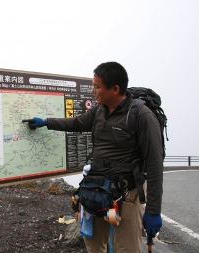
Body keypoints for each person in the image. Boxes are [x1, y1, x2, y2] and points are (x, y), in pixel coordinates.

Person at [24, 62, 163, 253]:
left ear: (115, 89)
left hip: (126, 195)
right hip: (98, 192)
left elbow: (155, 165)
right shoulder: (99, 111)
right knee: (95, 245)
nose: (93, 90)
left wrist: (153, 211)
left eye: (97, 86)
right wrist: (46, 122)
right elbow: (76, 123)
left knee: (126, 248)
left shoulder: (141, 115)